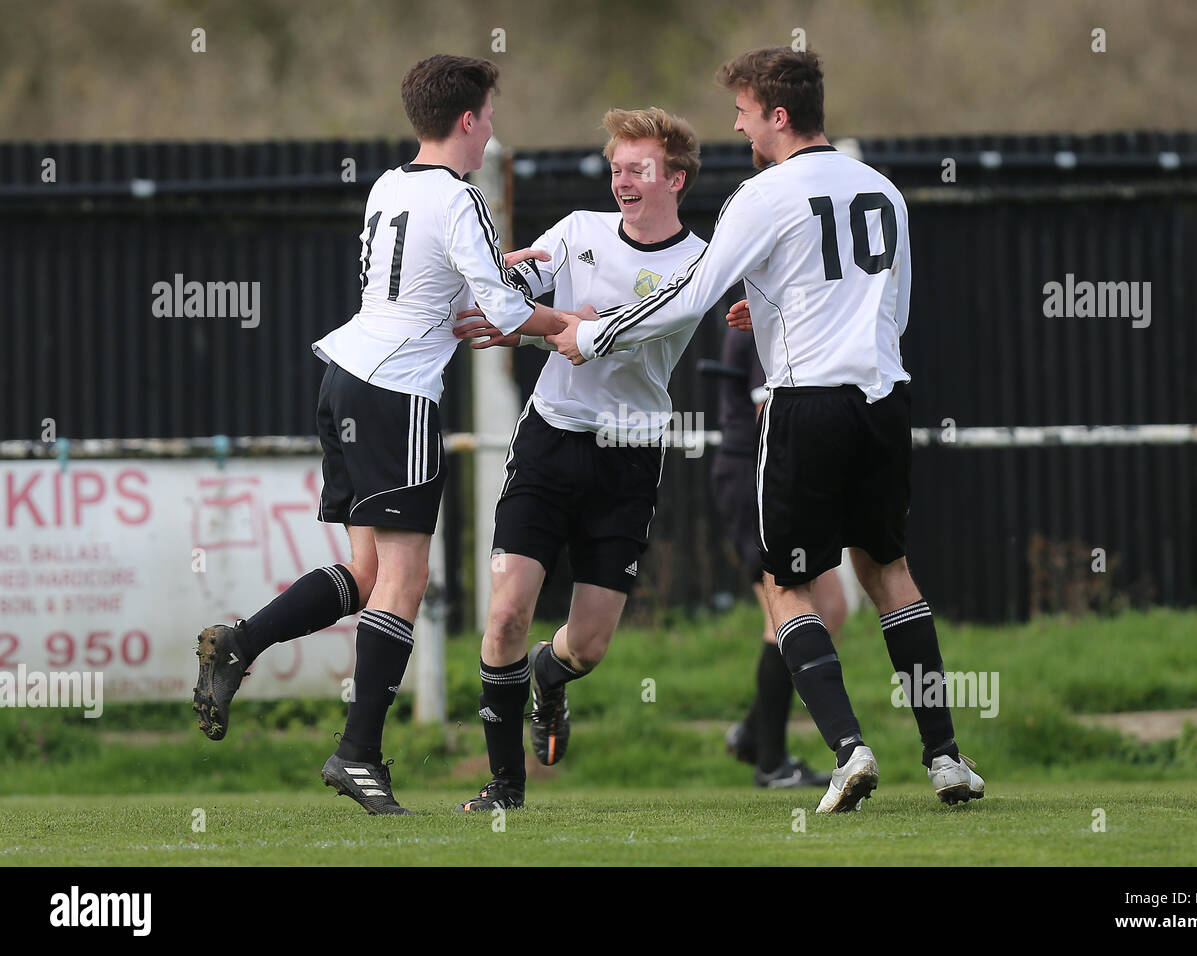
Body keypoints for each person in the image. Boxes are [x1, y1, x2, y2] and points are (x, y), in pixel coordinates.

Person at [550, 47, 985, 811]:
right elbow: (892, 307)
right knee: (889, 571)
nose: (738, 124)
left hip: (804, 405)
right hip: (883, 397)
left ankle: (848, 751)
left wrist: (590, 335)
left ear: (778, 117)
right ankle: (946, 756)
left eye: (745, 111)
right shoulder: (882, 188)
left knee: (785, 587)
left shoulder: (761, 193)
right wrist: (784, 303)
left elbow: (689, 296)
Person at [191, 54, 574, 815]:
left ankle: (242, 643)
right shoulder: (462, 197)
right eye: (490, 114)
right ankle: (358, 753)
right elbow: (494, 311)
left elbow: (428, 278)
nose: (493, 125)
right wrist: (564, 326)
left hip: (345, 375)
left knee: (368, 575)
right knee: (403, 582)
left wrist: (502, 271)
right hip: (397, 390)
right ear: (469, 120)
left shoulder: (389, 184)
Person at [449, 107, 709, 811]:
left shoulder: (698, 265)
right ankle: (505, 787)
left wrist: (539, 329)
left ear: (675, 179)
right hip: (550, 437)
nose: (623, 181)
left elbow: (617, 335)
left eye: (639, 169)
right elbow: (518, 299)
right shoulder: (575, 232)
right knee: (505, 613)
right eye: (617, 168)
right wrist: (501, 285)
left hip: (629, 452)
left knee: (586, 647)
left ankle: (550, 678)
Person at [708, 327, 844, 788]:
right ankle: (770, 763)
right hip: (755, 473)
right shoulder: (761, 317)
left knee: (831, 610)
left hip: (787, 476)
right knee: (782, 615)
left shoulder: (792, 309)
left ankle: (753, 733)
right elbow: (772, 410)